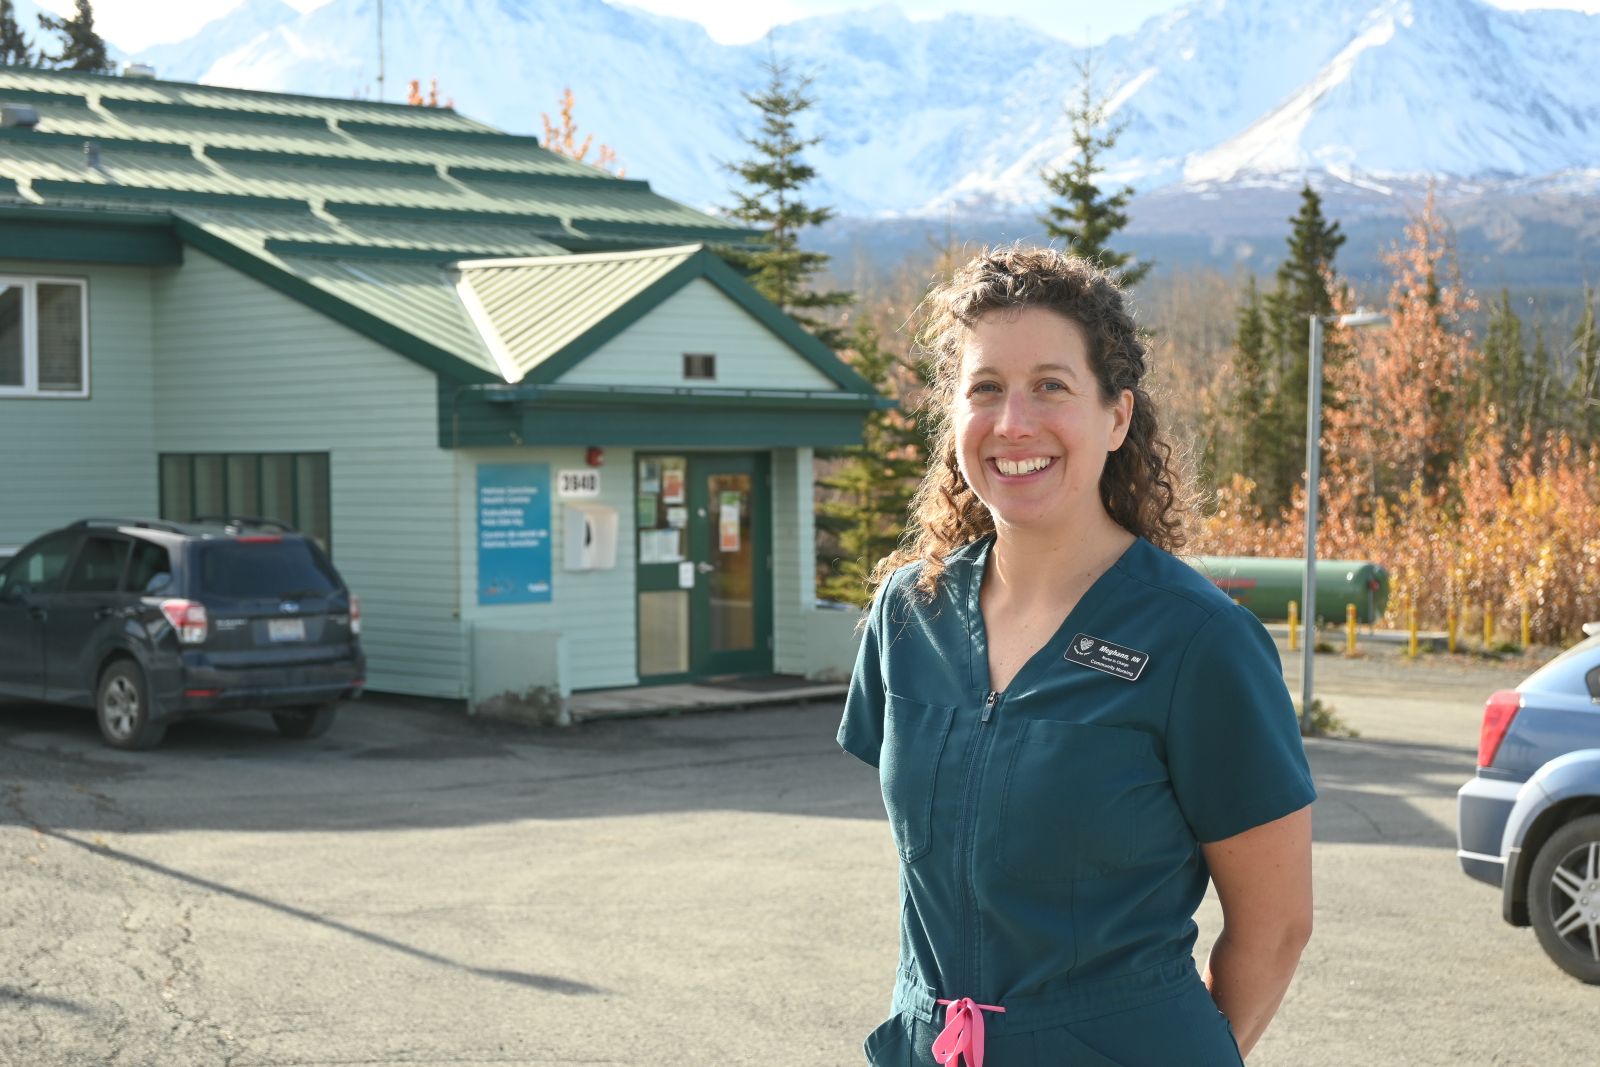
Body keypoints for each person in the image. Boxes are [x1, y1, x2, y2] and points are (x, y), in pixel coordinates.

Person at [837, 246, 1315, 1066]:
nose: (1013, 423)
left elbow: (1275, 925)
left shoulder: (1199, 642)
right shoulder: (909, 615)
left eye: (1051, 386)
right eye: (985, 389)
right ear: (955, 417)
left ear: (1117, 416)